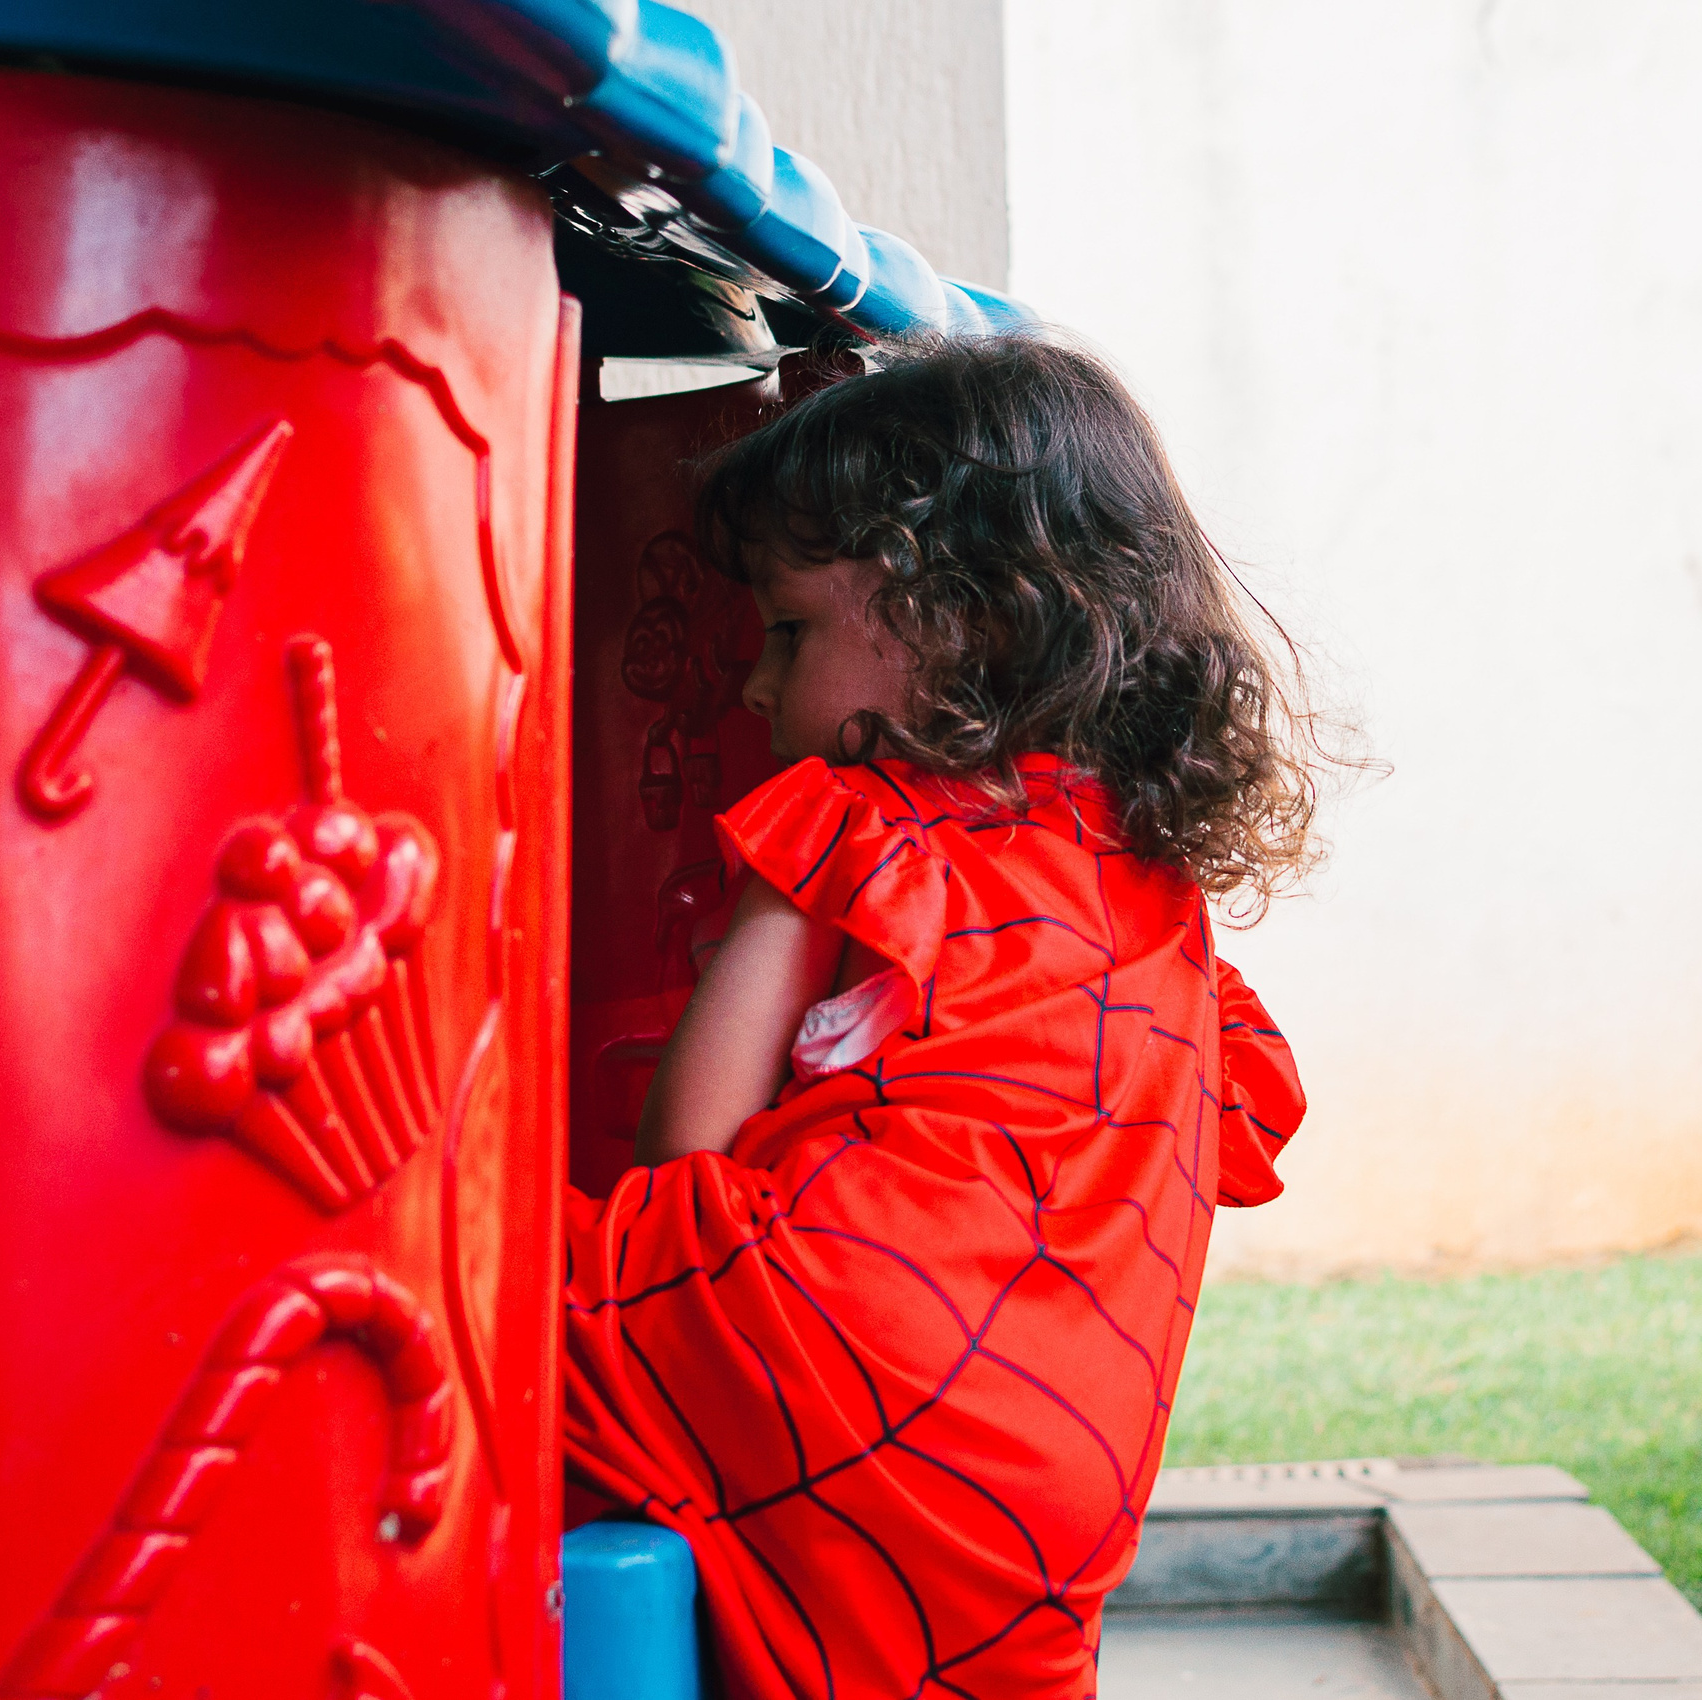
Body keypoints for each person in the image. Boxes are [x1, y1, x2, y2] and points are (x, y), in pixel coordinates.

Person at [561, 334, 1323, 1700]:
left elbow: (687, 1156)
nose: (750, 686)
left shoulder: (867, 823)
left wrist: (779, 892)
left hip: (856, 1379)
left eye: (787, 632)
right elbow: (1238, 1117)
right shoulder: (1137, 874)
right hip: (1062, 1477)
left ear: (956, 618)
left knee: (473, 1267)